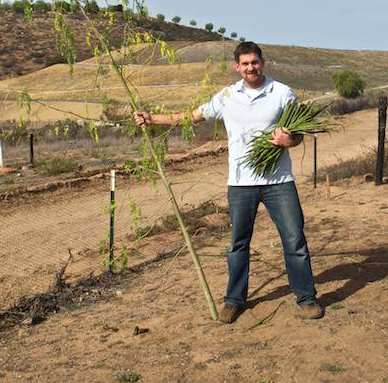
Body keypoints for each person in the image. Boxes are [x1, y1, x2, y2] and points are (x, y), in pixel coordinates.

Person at [134, 41, 323, 323]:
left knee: (294, 240)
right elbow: (191, 118)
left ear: (262, 62)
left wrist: (289, 141)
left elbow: (297, 134)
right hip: (240, 183)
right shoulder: (226, 96)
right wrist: (152, 119)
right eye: (245, 64)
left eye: (255, 62)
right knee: (238, 243)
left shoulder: (282, 93)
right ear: (237, 67)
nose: (250, 68)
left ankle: (306, 298)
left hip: (279, 181)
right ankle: (234, 300)